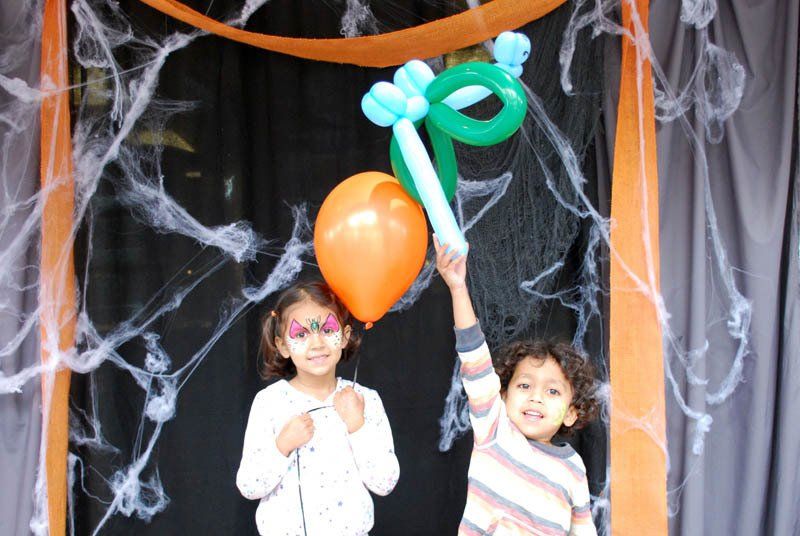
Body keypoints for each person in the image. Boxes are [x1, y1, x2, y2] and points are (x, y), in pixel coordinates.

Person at [435, 236, 599, 535]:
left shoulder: (574, 468)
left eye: (552, 391)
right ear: (502, 395)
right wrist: (458, 288)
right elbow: (475, 358)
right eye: (524, 386)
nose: (536, 397)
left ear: (572, 413)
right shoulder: (495, 429)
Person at [236, 280, 399, 536]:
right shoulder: (270, 403)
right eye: (301, 334)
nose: (317, 343)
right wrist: (283, 445)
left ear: (344, 337)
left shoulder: (365, 400)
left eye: (327, 330)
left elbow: (385, 482)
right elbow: (249, 486)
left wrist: (357, 425)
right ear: (282, 345)